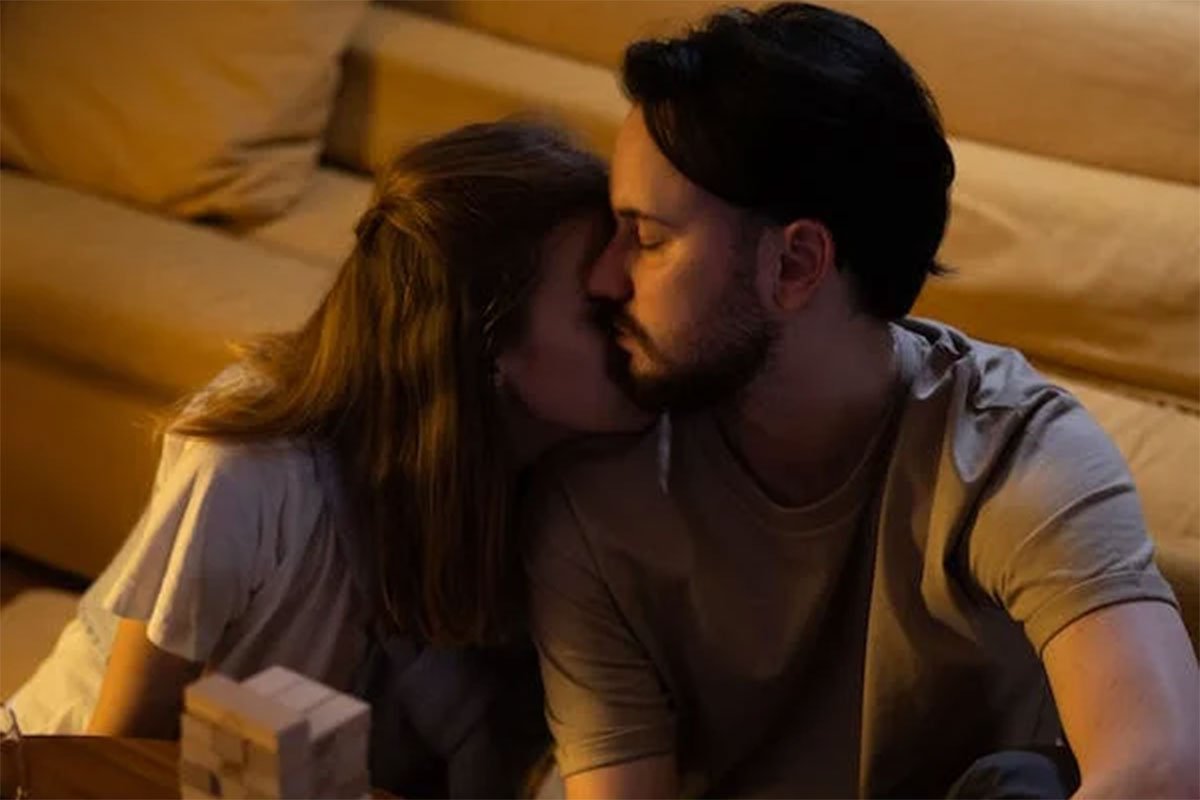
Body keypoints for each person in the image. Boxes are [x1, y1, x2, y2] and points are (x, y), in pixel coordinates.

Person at [524, 5, 1200, 798]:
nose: (604, 277)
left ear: (796, 265)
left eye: (647, 238)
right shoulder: (598, 498)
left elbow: (1159, 764)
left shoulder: (1006, 452)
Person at [8, 120, 649, 797]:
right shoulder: (249, 471)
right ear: (485, 346)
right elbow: (115, 747)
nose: (637, 322)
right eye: (599, 312)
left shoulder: (567, 476)